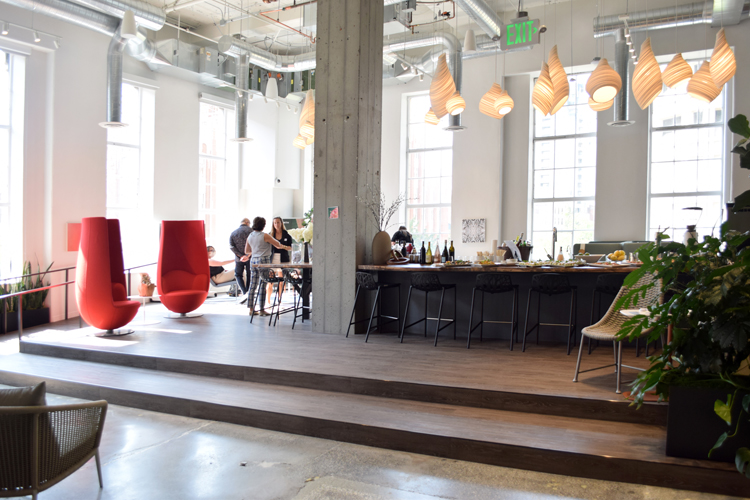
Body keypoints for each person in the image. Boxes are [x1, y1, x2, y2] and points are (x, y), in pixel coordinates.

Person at [244, 217, 292, 316]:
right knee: (263, 284)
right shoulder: (265, 235)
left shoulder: (250, 235)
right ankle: (262, 309)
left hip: (253, 260)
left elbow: (247, 251)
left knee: (253, 285)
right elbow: (278, 244)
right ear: (263, 225)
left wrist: (256, 249)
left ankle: (251, 309)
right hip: (263, 260)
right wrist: (285, 247)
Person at [266, 217, 293, 306]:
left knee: (281, 281)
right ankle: (268, 301)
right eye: (275, 223)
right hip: (273, 258)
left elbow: (291, 247)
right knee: (270, 280)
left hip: (283, 259)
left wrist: (282, 246)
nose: (276, 224)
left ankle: (279, 301)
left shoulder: (286, 235)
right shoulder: (270, 235)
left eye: (278, 222)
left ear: (281, 223)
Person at [230, 218, 253, 300]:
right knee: (250, 274)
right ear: (247, 223)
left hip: (239, 258)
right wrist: (247, 255)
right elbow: (255, 244)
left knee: (238, 275)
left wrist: (240, 256)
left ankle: (244, 291)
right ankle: (248, 292)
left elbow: (231, 246)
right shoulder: (252, 232)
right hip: (250, 257)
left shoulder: (233, 233)